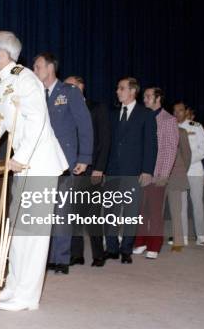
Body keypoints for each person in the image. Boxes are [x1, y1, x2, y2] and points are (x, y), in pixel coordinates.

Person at [0, 31, 68, 311]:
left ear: (2, 54)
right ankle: (13, 285)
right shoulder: (3, 84)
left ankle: (27, 296)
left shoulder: (25, 79)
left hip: (38, 163)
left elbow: (38, 121)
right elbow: (0, 120)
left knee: (33, 233)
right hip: (25, 164)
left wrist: (21, 157)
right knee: (16, 229)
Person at [33, 54, 93, 274]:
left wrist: (84, 157)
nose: (34, 69)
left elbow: (84, 126)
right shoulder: (35, 93)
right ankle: (45, 257)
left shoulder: (69, 92)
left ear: (50, 68)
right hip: (40, 161)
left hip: (64, 162)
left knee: (62, 212)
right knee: (42, 211)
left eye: (38, 66)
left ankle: (61, 259)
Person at [104, 77, 157, 264]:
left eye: (121, 88)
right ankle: (111, 248)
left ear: (132, 91)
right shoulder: (112, 113)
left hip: (134, 171)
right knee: (110, 210)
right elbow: (107, 143)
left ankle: (126, 249)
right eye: (118, 88)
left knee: (130, 212)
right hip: (112, 170)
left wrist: (147, 170)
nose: (117, 91)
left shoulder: (146, 114)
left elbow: (151, 145)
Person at [66, 76, 110, 267]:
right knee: (73, 213)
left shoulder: (97, 108)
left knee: (92, 213)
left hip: (92, 168)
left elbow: (104, 140)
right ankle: (77, 254)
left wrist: (99, 167)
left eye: (69, 86)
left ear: (80, 88)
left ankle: (98, 254)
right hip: (72, 169)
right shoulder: (64, 109)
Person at [132, 88, 178, 259]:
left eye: (148, 96)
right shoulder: (143, 116)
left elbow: (170, 149)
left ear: (158, 98)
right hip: (141, 172)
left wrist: (164, 174)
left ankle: (155, 244)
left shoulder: (168, 119)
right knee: (140, 210)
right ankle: (141, 242)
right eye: (144, 96)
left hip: (158, 172)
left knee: (155, 211)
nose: (144, 99)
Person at [174, 102, 204, 246]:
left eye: (180, 110)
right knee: (180, 206)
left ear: (186, 112)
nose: (177, 113)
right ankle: (183, 237)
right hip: (178, 172)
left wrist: (188, 160)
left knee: (197, 204)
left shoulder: (196, 126)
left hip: (195, 170)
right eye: (175, 111)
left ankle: (200, 236)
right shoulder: (171, 127)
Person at [166, 127, 192, 252]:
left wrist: (181, 171)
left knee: (176, 209)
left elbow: (187, 155)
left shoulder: (180, 131)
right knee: (156, 210)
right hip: (158, 174)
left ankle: (178, 241)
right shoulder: (155, 128)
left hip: (175, 174)